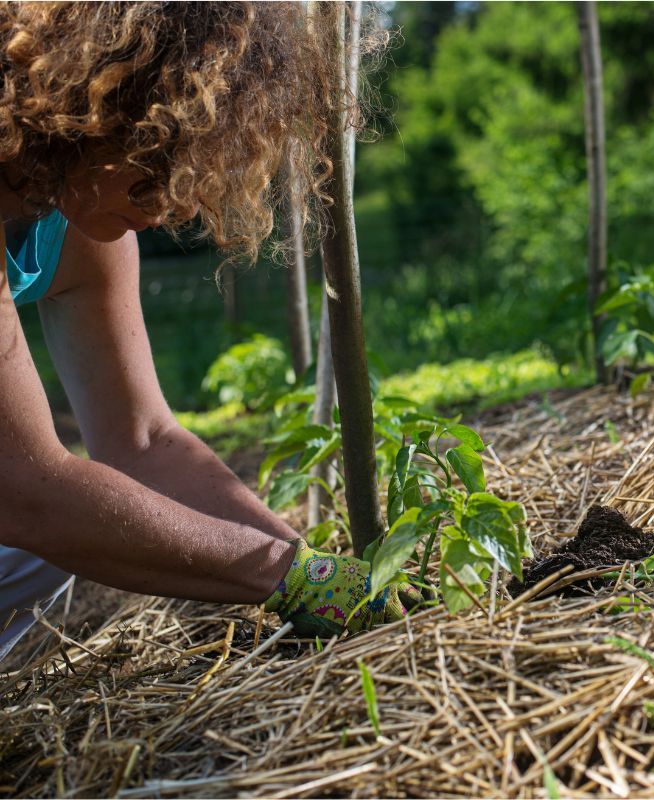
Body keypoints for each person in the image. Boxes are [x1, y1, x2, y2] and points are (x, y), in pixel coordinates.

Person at [0, 2, 411, 662]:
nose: (182, 204)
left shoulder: (71, 221)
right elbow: (27, 492)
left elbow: (143, 440)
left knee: (30, 554)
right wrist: (287, 579)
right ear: (90, 114)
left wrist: (308, 567)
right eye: (162, 164)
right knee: (36, 526)